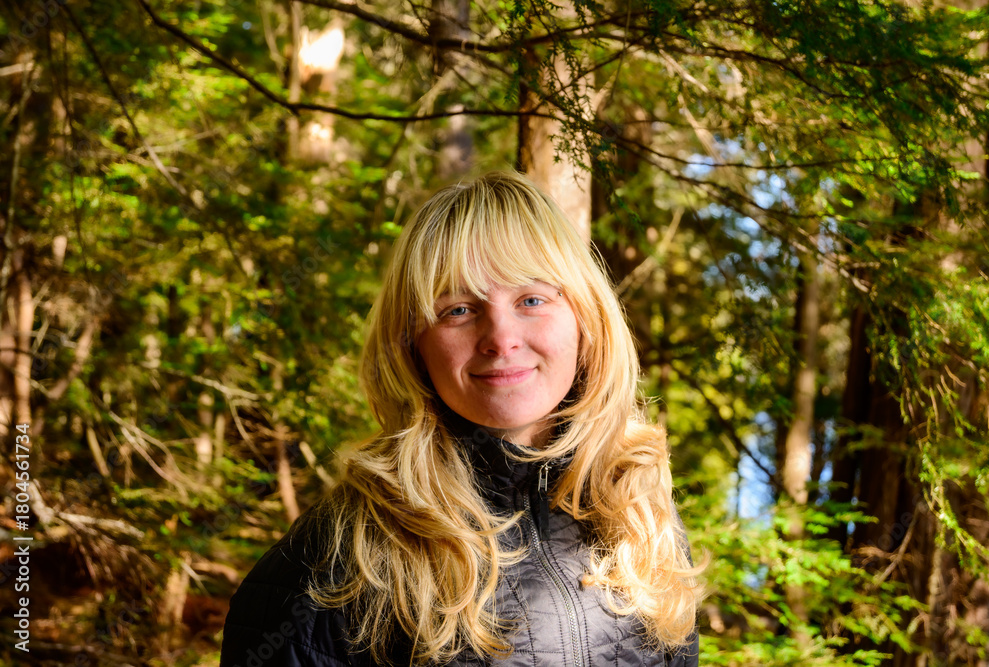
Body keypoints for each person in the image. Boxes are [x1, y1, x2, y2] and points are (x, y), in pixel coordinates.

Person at [220, 171, 703, 666]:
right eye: (458, 310)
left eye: (531, 300)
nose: (501, 338)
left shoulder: (639, 514)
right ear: (412, 344)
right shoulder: (334, 558)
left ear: (586, 319)